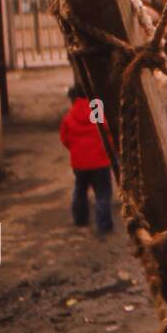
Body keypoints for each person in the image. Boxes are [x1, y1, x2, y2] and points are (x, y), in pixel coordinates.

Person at [59, 84, 115, 236]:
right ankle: (104, 225)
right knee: (102, 193)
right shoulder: (96, 112)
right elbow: (108, 133)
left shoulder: (69, 117)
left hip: (80, 163)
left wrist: (77, 151)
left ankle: (80, 220)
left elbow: (64, 139)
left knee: (80, 191)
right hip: (100, 161)